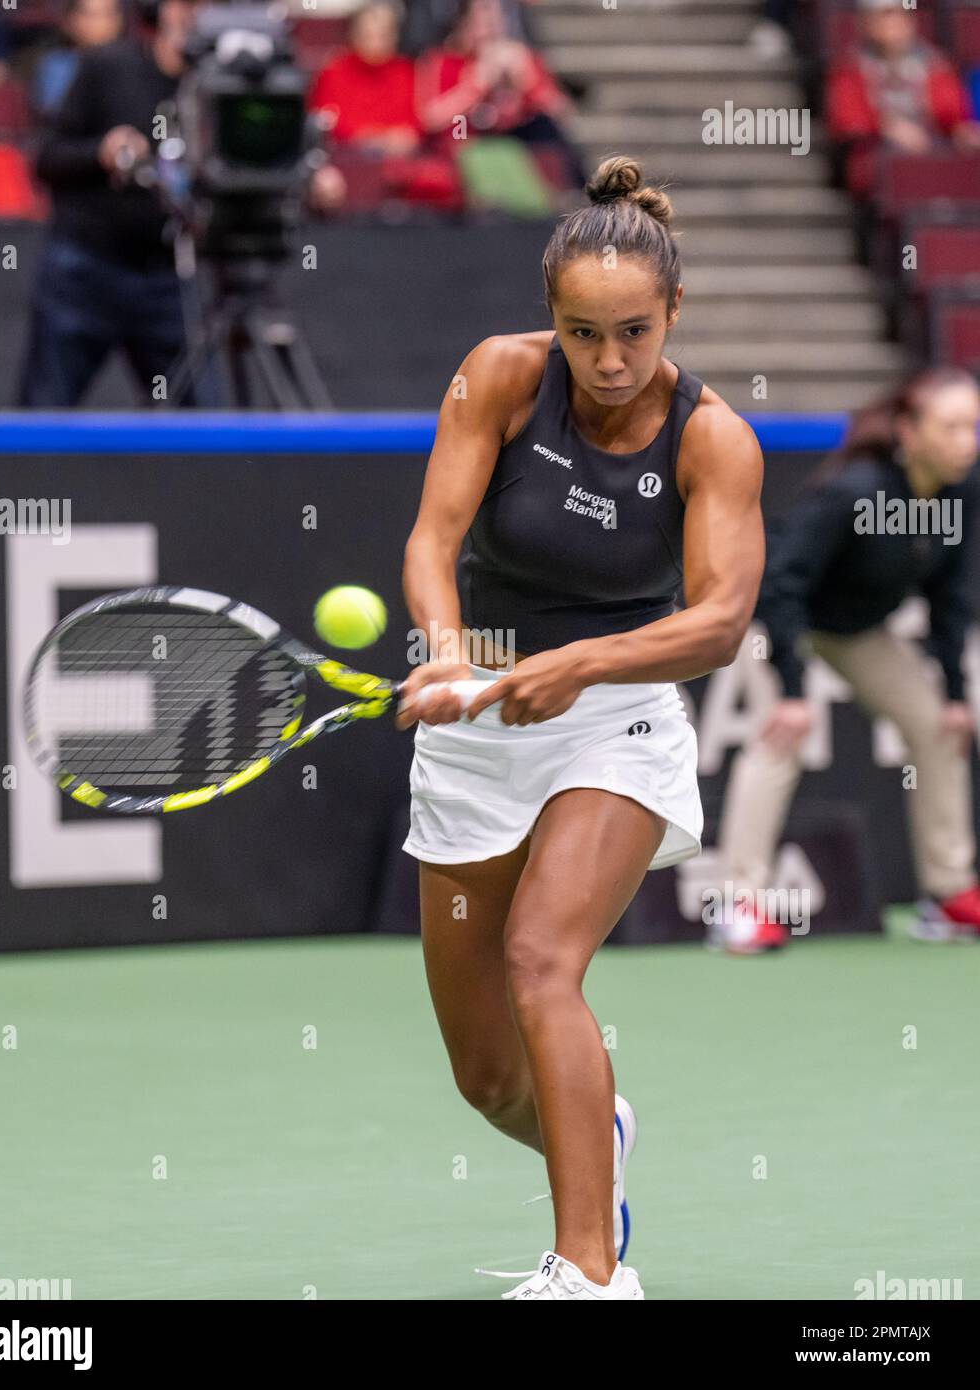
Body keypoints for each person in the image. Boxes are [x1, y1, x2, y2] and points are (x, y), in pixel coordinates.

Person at [393, 154, 766, 1299]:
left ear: (674, 314)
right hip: (477, 728)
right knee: (485, 1073)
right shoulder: (497, 379)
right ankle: (595, 1129)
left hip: (617, 724)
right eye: (582, 333)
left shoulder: (713, 443)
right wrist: (448, 651)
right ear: (549, 317)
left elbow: (718, 623)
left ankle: (589, 1271)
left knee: (540, 962)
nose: (609, 362)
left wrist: (583, 662)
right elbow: (430, 540)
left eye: (635, 333)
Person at [714, 367, 980, 954]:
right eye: (954, 426)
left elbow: (951, 598)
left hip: (857, 631)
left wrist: (958, 694)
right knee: (780, 735)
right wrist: (789, 688)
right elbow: (782, 582)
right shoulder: (854, 490)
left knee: (941, 729)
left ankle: (948, 893)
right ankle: (738, 903)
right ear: (910, 431)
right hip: (784, 617)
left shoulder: (963, 490)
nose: (969, 440)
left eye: (973, 426)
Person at [17, 0, 201, 407]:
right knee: (41, 420)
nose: (195, 15)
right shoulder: (108, 66)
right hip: (85, 272)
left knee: (203, 427)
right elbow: (47, 158)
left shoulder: (221, 88)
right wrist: (100, 151)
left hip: (169, 280)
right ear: (163, 9)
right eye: (186, 3)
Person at [415, 0, 583, 188]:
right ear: (464, 22)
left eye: (498, 18)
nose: (493, 25)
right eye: (485, 18)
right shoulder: (444, 60)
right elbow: (430, 117)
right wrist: (476, 84)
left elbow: (561, 110)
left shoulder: (519, 58)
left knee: (546, 131)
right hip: (465, 145)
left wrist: (527, 80)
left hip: (515, 146)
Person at [826, 0, 980, 202]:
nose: (892, 24)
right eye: (884, 17)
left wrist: (961, 130)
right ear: (866, 23)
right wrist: (888, 127)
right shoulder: (850, 69)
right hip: (880, 153)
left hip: (932, 146)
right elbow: (847, 120)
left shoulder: (935, 65)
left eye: (898, 16)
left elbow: (952, 114)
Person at [307, 2, 421, 156]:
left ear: (395, 36)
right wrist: (368, 138)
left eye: (382, 35)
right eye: (368, 35)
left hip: (395, 160)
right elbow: (325, 121)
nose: (375, 43)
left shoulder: (404, 71)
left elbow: (412, 125)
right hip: (344, 157)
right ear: (354, 35)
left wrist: (395, 138)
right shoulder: (334, 71)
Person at [34, 0, 128, 117]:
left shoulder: (134, 65)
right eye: (90, 15)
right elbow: (54, 115)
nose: (98, 23)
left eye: (107, 13)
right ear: (71, 20)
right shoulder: (56, 65)